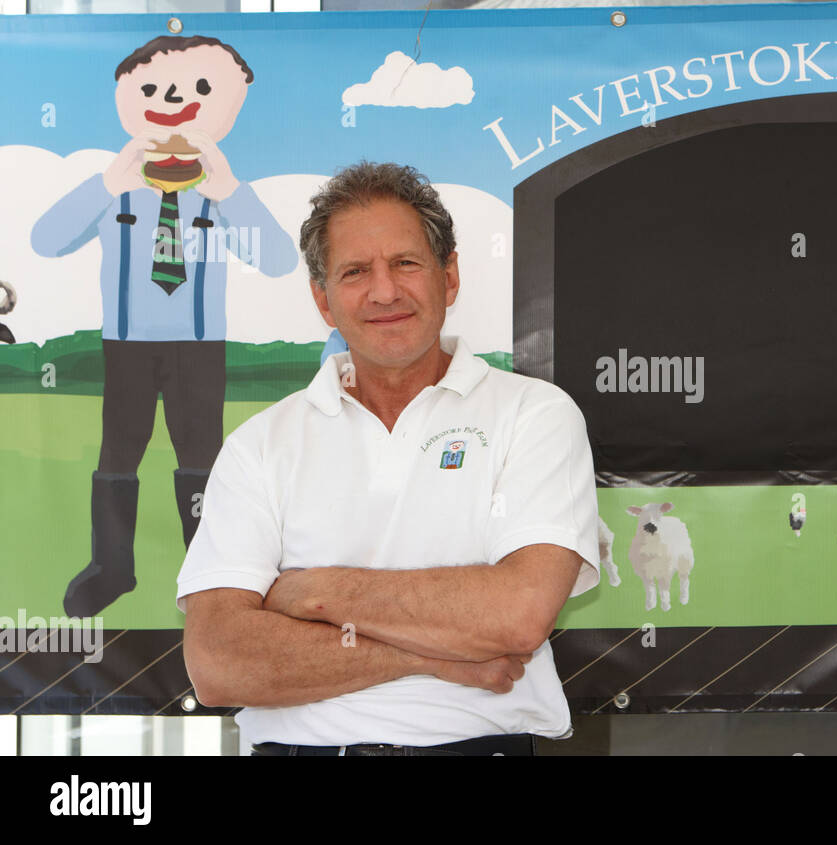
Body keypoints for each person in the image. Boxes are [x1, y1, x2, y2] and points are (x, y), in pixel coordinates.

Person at [176, 161, 599, 756]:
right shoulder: (260, 444)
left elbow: (518, 617)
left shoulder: (536, 415)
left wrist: (314, 594)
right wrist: (437, 654)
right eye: (355, 271)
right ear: (324, 301)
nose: (384, 291)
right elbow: (219, 663)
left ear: (449, 277)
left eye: (406, 263)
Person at [31, 35, 298, 618]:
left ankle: (208, 569)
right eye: (150, 89)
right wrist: (106, 182)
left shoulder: (220, 193)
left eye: (201, 89)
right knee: (117, 452)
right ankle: (112, 567)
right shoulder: (116, 187)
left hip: (200, 346)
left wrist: (228, 188)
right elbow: (45, 240)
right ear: (126, 99)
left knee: (202, 453)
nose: (174, 99)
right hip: (126, 344)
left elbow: (278, 259)